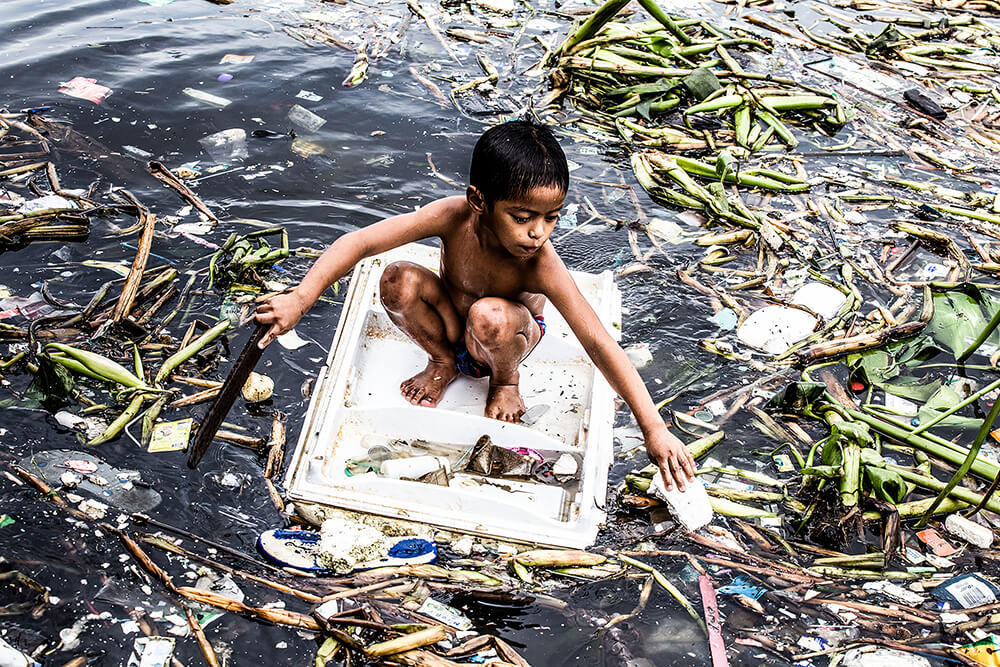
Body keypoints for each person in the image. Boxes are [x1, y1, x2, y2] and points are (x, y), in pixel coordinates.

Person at [255, 120, 696, 491]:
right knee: (396, 279)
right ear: (479, 201)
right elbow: (361, 241)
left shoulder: (540, 263)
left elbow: (599, 343)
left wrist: (654, 427)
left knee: (490, 315)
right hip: (453, 320)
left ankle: (504, 381)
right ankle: (443, 361)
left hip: (507, 334)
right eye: (522, 217)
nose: (538, 232)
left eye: (551, 217)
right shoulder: (452, 217)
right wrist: (301, 297)